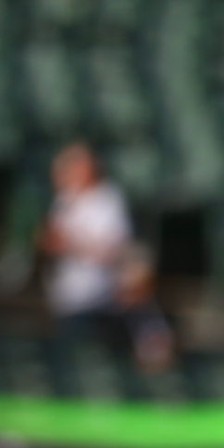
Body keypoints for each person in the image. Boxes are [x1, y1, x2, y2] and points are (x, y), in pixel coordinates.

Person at [40, 143, 172, 371]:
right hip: (68, 297)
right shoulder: (65, 199)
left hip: (101, 297)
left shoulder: (108, 200)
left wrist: (71, 244)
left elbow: (112, 251)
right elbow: (50, 240)